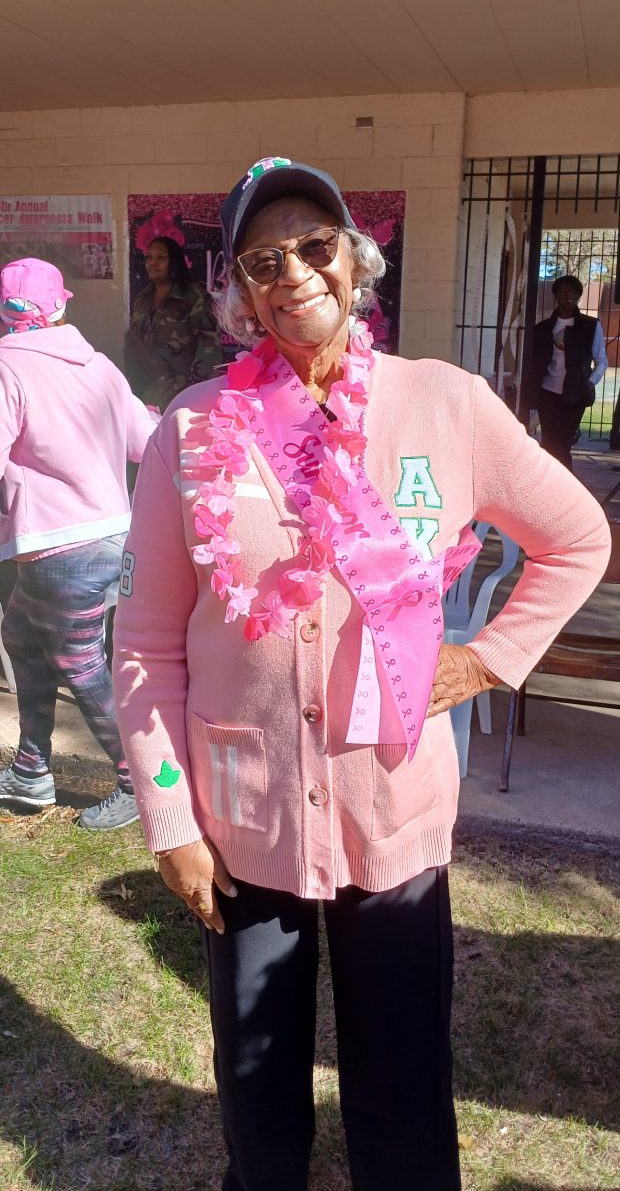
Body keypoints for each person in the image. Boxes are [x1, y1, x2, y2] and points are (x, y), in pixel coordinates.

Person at [113, 159, 610, 1191]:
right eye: (263, 259)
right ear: (239, 290)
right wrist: (168, 818)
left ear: (355, 258)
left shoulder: (443, 400)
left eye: (312, 244)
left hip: (392, 808)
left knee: (400, 1084)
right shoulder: (190, 428)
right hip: (244, 820)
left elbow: (573, 536)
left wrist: (487, 657)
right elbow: (147, 641)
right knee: (258, 1089)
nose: (292, 271)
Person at [0, 257, 157, 831]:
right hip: (113, 535)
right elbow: (147, 440)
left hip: (55, 546)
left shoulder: (5, 368)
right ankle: (32, 767)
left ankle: (137, 780)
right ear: (62, 306)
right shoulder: (99, 366)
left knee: (83, 666)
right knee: (19, 634)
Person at [124, 235, 226, 411]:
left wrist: (194, 391)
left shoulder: (194, 297)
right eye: (149, 257)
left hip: (182, 396)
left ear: (174, 262)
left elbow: (209, 349)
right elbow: (133, 345)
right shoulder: (141, 300)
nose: (153, 263)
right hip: (146, 394)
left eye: (161, 258)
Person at [529, 274, 608, 470]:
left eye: (573, 290)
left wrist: (589, 383)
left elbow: (601, 360)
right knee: (548, 443)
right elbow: (533, 361)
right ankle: (549, 488)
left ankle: (565, 491)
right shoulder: (543, 329)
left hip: (574, 395)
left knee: (563, 445)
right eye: (563, 290)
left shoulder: (590, 326)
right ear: (555, 295)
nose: (568, 294)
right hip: (547, 393)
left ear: (579, 295)